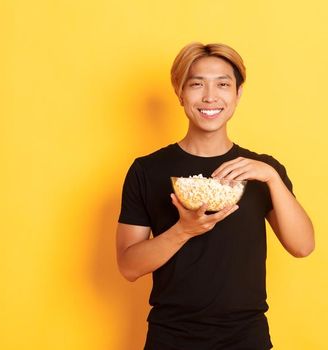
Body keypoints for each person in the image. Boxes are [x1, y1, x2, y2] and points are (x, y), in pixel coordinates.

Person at [116, 42, 315, 349]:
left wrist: (273, 179)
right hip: (171, 337)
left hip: (246, 337)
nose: (210, 97)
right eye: (197, 84)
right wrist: (183, 230)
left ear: (238, 94)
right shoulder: (148, 170)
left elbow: (302, 246)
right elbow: (129, 266)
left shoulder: (262, 171)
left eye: (223, 84)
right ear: (180, 93)